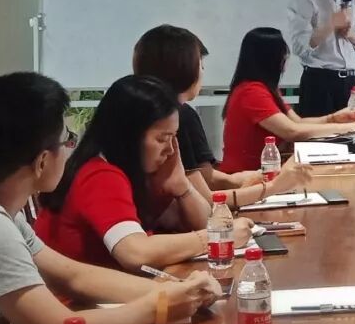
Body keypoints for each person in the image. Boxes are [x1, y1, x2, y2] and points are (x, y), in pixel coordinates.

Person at [0, 73, 220, 324]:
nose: (69, 148)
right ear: (42, 161)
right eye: (66, 140)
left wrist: (178, 292)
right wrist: (158, 306)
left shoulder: (2, 212)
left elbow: (73, 276)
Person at [35, 75, 255, 270]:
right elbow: (136, 253)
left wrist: (181, 186)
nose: (170, 150)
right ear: (129, 136)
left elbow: (201, 222)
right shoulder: (100, 175)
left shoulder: (134, 172)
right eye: (162, 139)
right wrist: (218, 236)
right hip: (82, 301)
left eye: (173, 138)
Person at [133, 25, 315, 210]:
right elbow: (206, 200)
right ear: (184, 69)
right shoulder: (180, 116)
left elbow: (204, 176)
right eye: (200, 65)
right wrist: (273, 187)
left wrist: (239, 180)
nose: (203, 71)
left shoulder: (145, 110)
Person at [220, 27, 355, 174]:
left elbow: (298, 122)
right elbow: (292, 132)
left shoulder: (265, 88)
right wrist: (346, 128)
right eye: (283, 55)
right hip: (246, 176)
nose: (286, 60)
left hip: (264, 171)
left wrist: (334, 118)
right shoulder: (251, 92)